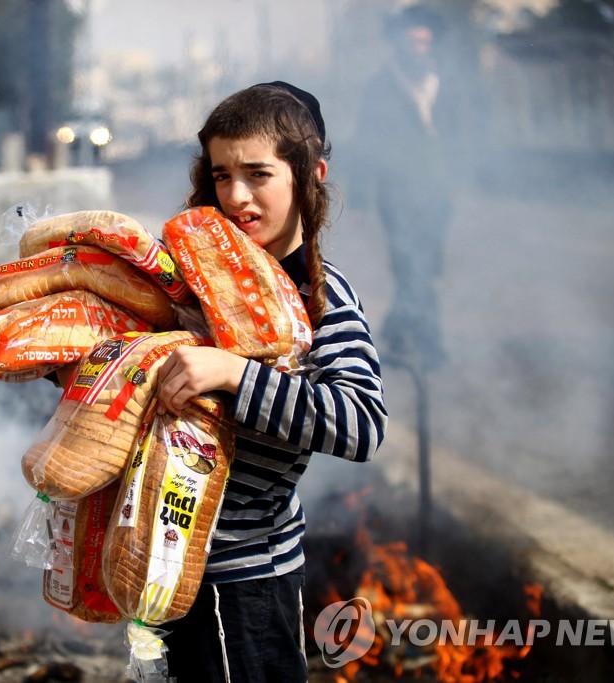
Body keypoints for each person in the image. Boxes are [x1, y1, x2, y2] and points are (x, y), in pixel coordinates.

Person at [154, 82, 388, 682]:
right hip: (165, 570)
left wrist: (234, 373)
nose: (237, 197)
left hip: (242, 581)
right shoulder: (193, 282)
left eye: (258, 174)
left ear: (309, 175)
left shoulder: (321, 295)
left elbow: (361, 424)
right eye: (221, 174)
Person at [349, 5, 456, 370]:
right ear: (399, 43)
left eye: (426, 40)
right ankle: (432, 347)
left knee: (424, 269)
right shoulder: (380, 87)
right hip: (397, 197)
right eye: (413, 40)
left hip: (438, 195)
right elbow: (364, 146)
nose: (420, 47)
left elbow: (460, 136)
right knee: (413, 269)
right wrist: (361, 199)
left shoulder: (442, 82)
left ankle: (393, 335)